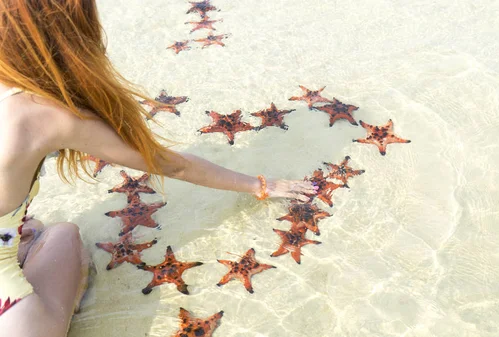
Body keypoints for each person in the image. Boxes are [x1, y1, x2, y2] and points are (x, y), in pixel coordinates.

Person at [0, 1, 316, 336]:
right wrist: (259, 185)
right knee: (64, 234)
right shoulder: (44, 114)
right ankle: (30, 240)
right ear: (69, 34)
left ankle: (20, 233)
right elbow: (173, 167)